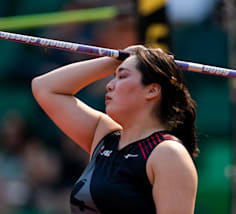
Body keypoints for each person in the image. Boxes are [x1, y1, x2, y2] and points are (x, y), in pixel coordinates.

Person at [31, 45, 198, 214]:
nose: (109, 85)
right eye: (114, 76)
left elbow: (46, 89)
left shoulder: (167, 154)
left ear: (152, 90)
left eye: (122, 76)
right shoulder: (105, 136)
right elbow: (43, 87)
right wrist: (115, 59)